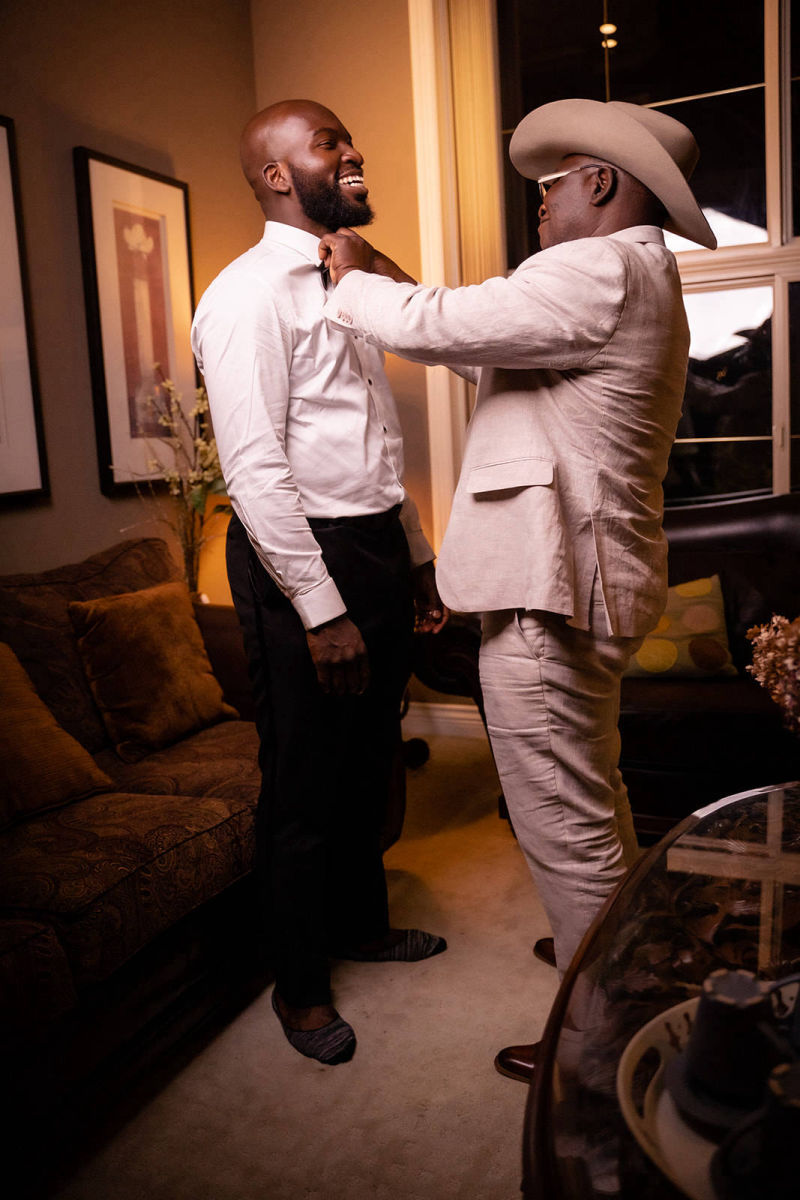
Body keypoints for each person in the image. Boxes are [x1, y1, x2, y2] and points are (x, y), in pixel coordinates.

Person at [318, 98, 716, 1080]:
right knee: (594, 797)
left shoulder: (597, 266)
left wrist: (351, 278)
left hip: (552, 592)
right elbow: (486, 348)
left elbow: (444, 324)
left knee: (565, 828)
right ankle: (616, 961)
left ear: (600, 182)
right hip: (585, 584)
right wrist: (395, 281)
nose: (538, 202)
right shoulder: (635, 275)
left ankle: (602, 1042)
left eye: (551, 184)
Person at [191, 99, 448, 1067]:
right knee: (303, 781)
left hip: (373, 544)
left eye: (347, 138)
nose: (352, 151)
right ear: (275, 175)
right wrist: (323, 610)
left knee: (370, 756)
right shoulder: (244, 295)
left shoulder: (349, 278)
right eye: (328, 142)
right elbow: (257, 470)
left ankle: (360, 927)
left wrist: (413, 556)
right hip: (300, 560)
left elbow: (372, 436)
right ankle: (299, 987)